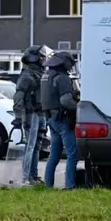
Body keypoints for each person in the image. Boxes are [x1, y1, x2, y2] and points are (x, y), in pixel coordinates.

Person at [12, 45, 52, 186]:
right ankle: (26, 178)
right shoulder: (27, 75)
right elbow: (18, 97)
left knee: (37, 146)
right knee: (30, 146)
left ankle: (33, 176)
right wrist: (18, 116)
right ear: (34, 58)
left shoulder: (40, 74)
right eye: (41, 57)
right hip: (32, 114)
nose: (44, 59)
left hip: (40, 114)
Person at [42, 50, 80, 190]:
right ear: (64, 62)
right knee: (73, 154)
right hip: (62, 119)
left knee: (54, 155)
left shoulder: (46, 76)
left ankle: (48, 185)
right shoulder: (62, 78)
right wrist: (78, 107)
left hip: (51, 119)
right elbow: (66, 101)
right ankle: (70, 186)